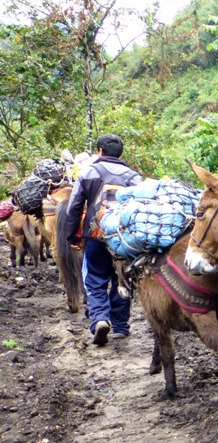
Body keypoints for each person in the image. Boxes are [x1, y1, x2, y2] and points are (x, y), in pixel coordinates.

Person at [64, 134, 142, 346]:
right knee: (122, 279)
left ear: (99, 151)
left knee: (95, 279)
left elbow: (74, 207)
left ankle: (99, 319)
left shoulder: (88, 172)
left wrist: (73, 235)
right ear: (120, 153)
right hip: (124, 239)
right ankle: (120, 327)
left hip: (95, 235)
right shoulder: (134, 177)